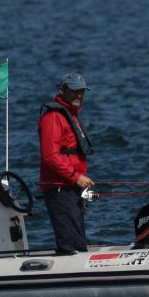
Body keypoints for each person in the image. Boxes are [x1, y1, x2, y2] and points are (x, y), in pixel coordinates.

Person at [38, 72, 95, 255]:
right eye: (74, 91)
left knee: (78, 241)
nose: (79, 95)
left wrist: (79, 181)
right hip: (60, 188)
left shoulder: (71, 115)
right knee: (70, 245)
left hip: (72, 188)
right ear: (62, 90)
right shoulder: (53, 117)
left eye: (82, 91)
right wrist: (75, 177)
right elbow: (50, 156)